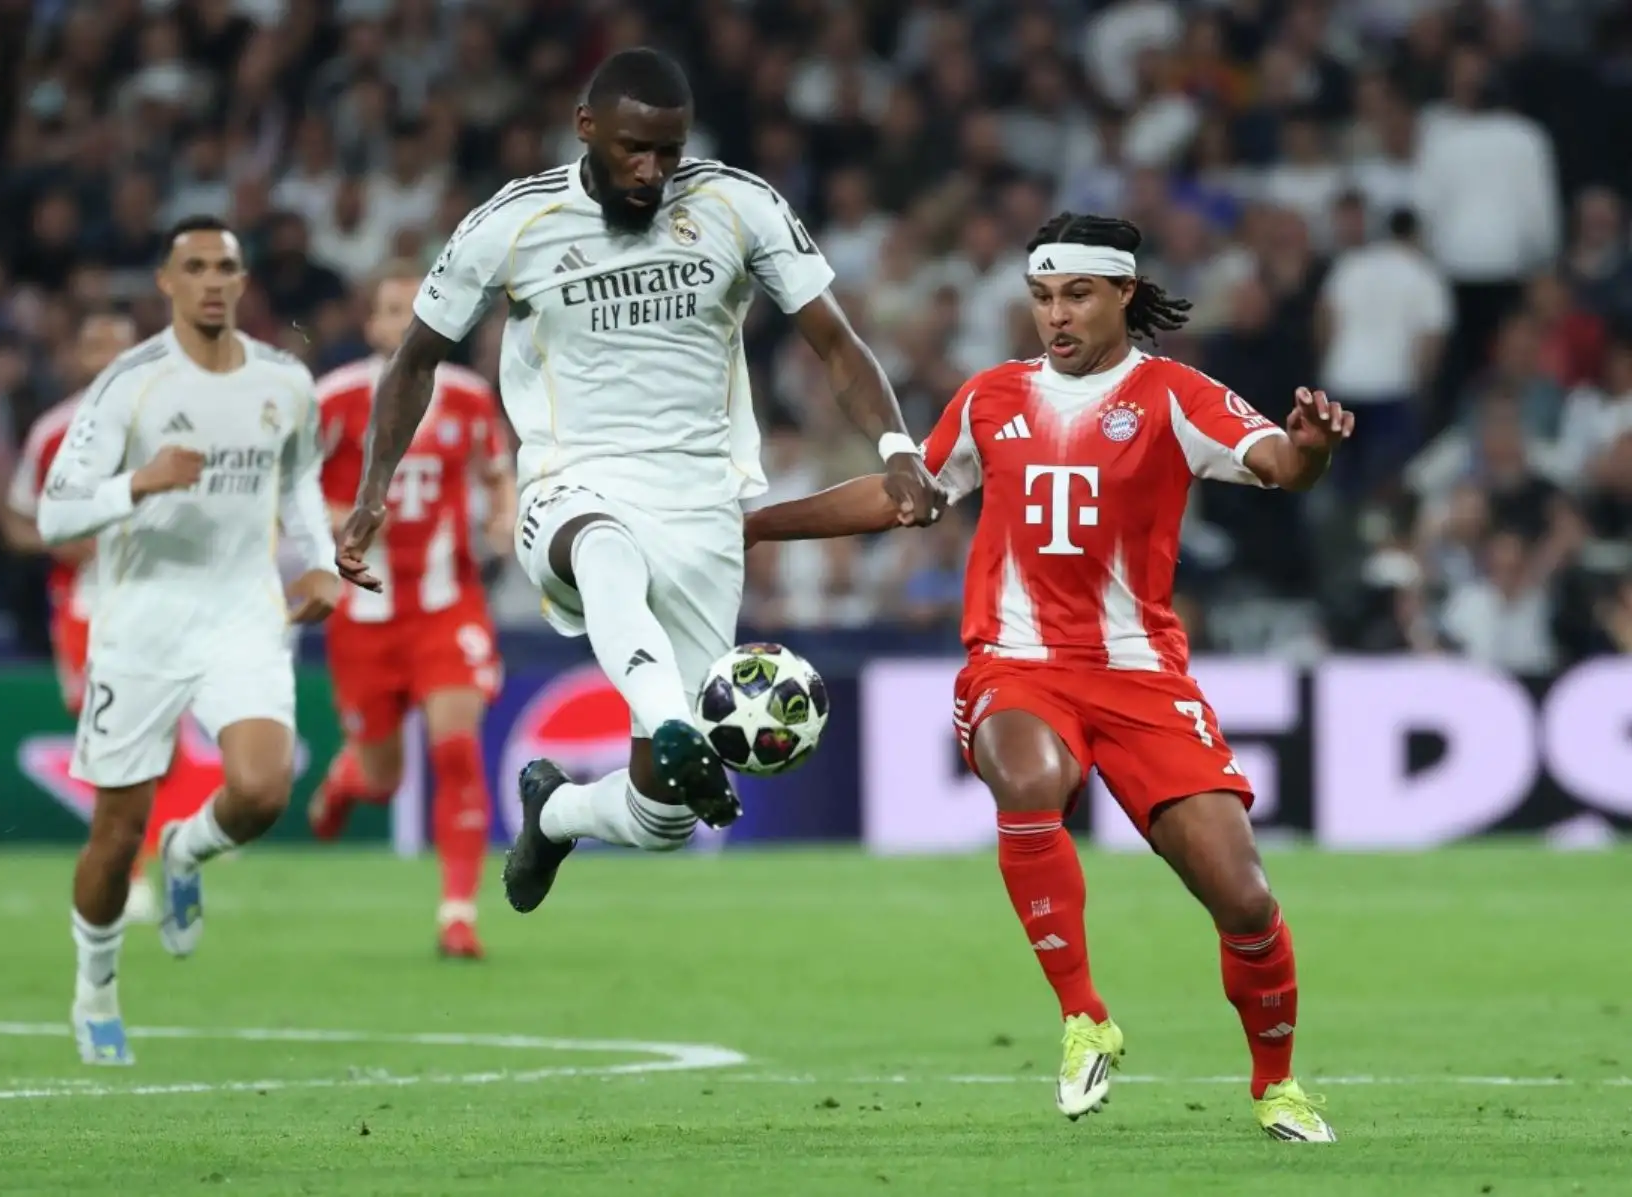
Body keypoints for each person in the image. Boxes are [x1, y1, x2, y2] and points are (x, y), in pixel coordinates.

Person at [744, 212, 1352, 1142]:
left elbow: (1280, 466)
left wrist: (1311, 446)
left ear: (1124, 296)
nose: (1055, 316)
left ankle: (1276, 1085)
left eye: (1075, 296)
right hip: (1017, 661)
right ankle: (1082, 1015)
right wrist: (757, 524)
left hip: (1141, 676)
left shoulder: (1174, 395)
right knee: (1025, 780)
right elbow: (904, 495)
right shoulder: (991, 398)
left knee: (1246, 898)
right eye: (1040, 297)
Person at [334, 48, 940, 912]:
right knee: (604, 550)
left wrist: (894, 443)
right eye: (631, 150)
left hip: (701, 507)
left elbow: (835, 340)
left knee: (663, 816)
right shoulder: (516, 221)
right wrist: (371, 493)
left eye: (668, 151)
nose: (650, 172)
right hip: (569, 483)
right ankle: (671, 718)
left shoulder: (740, 206)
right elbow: (414, 360)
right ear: (586, 128)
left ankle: (556, 812)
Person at [37, 216, 343, 1065]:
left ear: (244, 283)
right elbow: (56, 509)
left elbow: (301, 483)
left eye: (227, 267)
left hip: (244, 615)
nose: (212, 280)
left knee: (261, 789)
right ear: (166, 284)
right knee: (113, 830)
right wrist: (140, 479)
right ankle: (95, 988)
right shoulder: (127, 384)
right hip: (141, 621)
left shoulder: (286, 380)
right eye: (195, 267)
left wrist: (318, 563)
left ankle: (189, 847)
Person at [309, 259, 516, 960]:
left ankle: (457, 912)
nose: (405, 323)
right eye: (392, 311)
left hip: (445, 603)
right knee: (383, 777)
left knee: (457, 749)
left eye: (418, 309)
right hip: (364, 616)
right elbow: (287, 492)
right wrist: (337, 516)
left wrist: (502, 518)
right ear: (371, 324)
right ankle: (345, 781)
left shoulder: (467, 398)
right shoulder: (334, 399)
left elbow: (496, 469)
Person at [4, 308, 222, 925]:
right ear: (77, 356)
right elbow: (17, 519)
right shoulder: (53, 431)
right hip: (87, 607)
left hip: (159, 600)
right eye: (93, 345)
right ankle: (136, 870)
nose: (105, 357)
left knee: (155, 745)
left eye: (117, 346)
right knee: (111, 736)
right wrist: (58, 537)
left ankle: (150, 859)